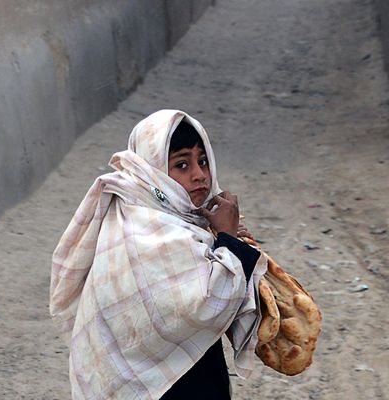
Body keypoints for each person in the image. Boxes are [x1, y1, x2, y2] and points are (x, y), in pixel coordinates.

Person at [50, 110, 266, 399]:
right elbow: (209, 304)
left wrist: (228, 239)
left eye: (202, 161)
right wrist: (229, 241)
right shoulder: (146, 232)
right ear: (152, 171)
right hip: (163, 388)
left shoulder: (180, 223)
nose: (200, 174)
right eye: (181, 164)